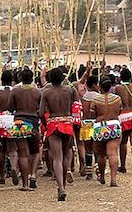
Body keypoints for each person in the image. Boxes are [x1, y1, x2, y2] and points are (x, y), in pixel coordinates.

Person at [39, 68, 79, 201]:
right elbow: (77, 107)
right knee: (67, 153)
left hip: (53, 125)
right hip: (67, 124)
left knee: (57, 158)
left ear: (50, 79)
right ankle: (64, 183)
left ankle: (60, 186)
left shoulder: (46, 92)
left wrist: (47, 123)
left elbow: (40, 113)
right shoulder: (70, 90)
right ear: (62, 78)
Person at [8, 68, 41, 191]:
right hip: (33, 122)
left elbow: (10, 107)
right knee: (35, 151)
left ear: (20, 79)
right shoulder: (37, 92)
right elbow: (41, 109)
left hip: (19, 122)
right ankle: (33, 175)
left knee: (23, 154)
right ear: (32, 78)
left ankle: (25, 184)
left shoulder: (15, 91)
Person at [90, 77, 122, 187]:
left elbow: (92, 115)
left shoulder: (95, 100)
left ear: (100, 86)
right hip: (114, 126)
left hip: (100, 127)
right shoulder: (117, 99)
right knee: (113, 153)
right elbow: (119, 111)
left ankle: (102, 176)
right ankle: (113, 179)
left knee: (101, 155)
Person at [0, 70, 17, 184]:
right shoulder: (15, 90)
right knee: (12, 149)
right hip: (12, 120)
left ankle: (1, 176)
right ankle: (13, 168)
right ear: (12, 79)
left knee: (0, 150)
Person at [80, 76, 99, 179]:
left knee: (88, 149)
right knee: (97, 147)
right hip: (95, 124)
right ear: (94, 85)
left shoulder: (84, 97)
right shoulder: (98, 97)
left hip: (85, 124)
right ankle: (98, 167)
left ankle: (89, 172)